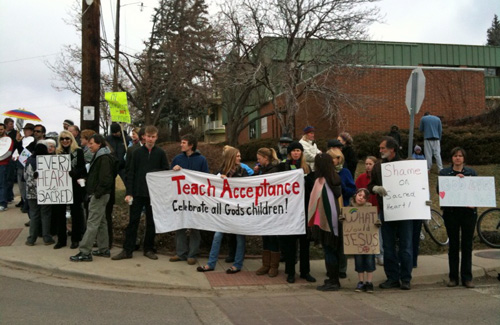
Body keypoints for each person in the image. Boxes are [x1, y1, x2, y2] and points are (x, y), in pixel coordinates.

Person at [112, 126, 169, 261]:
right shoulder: (137, 153)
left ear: (156, 137)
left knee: (151, 222)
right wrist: (129, 192)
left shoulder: (160, 153)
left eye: (153, 136)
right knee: (133, 222)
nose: (150, 139)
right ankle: (127, 249)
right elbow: (130, 173)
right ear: (144, 137)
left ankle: (148, 248)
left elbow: (165, 173)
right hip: (137, 193)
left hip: (152, 194)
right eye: (148, 136)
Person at [368, 136, 414, 290]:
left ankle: (406, 278)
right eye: (380, 148)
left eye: (383, 148)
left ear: (392, 149)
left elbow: (416, 185)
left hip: (405, 211)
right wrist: (375, 189)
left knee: (405, 246)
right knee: (388, 247)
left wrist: (422, 201)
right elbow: (370, 185)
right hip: (387, 211)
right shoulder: (378, 167)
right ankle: (392, 278)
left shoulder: (406, 165)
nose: (380, 151)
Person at [197, 146, 247, 274]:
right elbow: (212, 187)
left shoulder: (243, 171)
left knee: (240, 238)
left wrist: (230, 181)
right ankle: (210, 264)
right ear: (231, 157)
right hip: (224, 212)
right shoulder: (220, 171)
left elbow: (247, 188)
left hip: (238, 211)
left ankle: (237, 264)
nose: (240, 158)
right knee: (217, 236)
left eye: (240, 156)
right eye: (237, 156)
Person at [70, 134, 115, 262]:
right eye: (88, 143)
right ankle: (103, 248)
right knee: (101, 222)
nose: (89, 146)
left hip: (99, 194)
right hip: (101, 193)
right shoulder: (101, 156)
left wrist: (97, 193)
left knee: (92, 222)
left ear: (99, 144)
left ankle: (85, 251)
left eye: (91, 143)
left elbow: (106, 179)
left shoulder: (104, 158)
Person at [439, 147, 478, 288]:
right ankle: (453, 277)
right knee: (453, 246)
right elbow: (440, 190)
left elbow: (477, 190)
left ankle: (467, 277)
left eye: (460, 156)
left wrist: (474, 203)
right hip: (452, 213)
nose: (457, 158)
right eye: (455, 155)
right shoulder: (444, 173)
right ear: (452, 158)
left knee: (467, 245)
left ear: (464, 159)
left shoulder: (471, 173)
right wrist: (453, 181)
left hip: (468, 214)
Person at [279, 141, 316, 283]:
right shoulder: (283, 166)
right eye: (293, 150)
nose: (296, 153)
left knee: (305, 243)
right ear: (289, 153)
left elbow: (312, 188)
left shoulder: (307, 168)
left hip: (304, 210)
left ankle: (305, 271)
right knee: (290, 244)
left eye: (298, 150)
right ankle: (290, 271)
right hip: (290, 211)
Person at [169, 134, 209, 265]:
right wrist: (173, 170)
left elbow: (205, 178)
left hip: (195, 199)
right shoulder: (177, 159)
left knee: (194, 226)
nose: (181, 145)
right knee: (179, 225)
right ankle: (180, 253)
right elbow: (168, 177)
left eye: (184, 143)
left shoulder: (201, 160)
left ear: (191, 145)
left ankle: (192, 254)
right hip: (180, 198)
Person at [308, 153, 343, 291]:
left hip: (328, 221)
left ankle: (334, 281)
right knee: (333, 251)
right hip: (335, 220)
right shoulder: (334, 177)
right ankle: (333, 279)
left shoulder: (322, 181)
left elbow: (318, 204)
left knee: (329, 252)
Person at [53, 131, 87, 249]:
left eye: (67, 138)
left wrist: (75, 173)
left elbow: (83, 168)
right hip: (60, 186)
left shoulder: (78, 152)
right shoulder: (57, 153)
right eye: (62, 139)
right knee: (60, 213)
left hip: (74, 186)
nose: (65, 141)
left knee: (76, 213)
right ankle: (61, 239)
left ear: (71, 139)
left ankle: (76, 239)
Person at [327, 147, 356, 278]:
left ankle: (342, 269)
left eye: (333, 157)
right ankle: (331, 268)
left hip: (343, 208)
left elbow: (352, 190)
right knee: (329, 241)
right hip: (328, 209)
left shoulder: (345, 172)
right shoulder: (326, 172)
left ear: (339, 159)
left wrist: (342, 187)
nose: (332, 160)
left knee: (342, 243)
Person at [254, 147, 282, 277]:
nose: (258, 161)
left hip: (272, 208)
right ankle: (266, 264)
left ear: (266, 158)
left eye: (259, 159)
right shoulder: (263, 170)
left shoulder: (274, 170)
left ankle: (273, 266)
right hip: (264, 207)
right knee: (265, 236)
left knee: (273, 237)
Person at [345, 189, 377, 293]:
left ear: (367, 199)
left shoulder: (370, 209)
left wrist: (377, 223)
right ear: (355, 195)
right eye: (359, 195)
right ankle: (361, 282)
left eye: (363, 197)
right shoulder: (350, 208)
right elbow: (347, 222)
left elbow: (375, 222)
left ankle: (369, 282)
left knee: (369, 261)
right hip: (356, 243)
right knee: (359, 262)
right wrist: (343, 219)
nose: (360, 198)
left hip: (369, 242)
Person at [24, 142, 55, 246]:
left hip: (31, 191)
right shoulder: (47, 160)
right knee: (45, 214)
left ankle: (31, 239)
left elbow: (25, 176)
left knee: (34, 214)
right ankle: (47, 237)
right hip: (45, 190)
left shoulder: (29, 160)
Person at [355, 156, 383, 266]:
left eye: (370, 164)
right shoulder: (361, 178)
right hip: (365, 211)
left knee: (378, 233)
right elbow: (356, 192)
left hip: (377, 208)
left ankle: (379, 255)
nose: (367, 166)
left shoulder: (379, 178)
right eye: (366, 164)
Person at [0, 123, 14, 212]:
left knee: (2, 184)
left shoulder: (9, 140)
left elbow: (9, 153)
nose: (0, 131)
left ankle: (3, 203)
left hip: (3, 165)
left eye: (1, 129)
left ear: (4, 129)